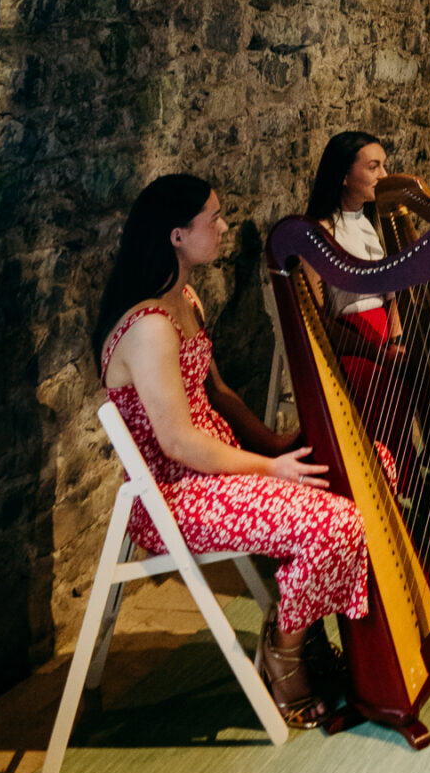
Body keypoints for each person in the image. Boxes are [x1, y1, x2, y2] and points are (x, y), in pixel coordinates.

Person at [95, 172, 372, 727]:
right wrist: (272, 468)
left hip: (223, 470)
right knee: (336, 522)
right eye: (212, 219)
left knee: (372, 466)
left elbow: (217, 393)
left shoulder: (184, 298)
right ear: (176, 235)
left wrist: (280, 443)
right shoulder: (147, 327)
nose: (224, 227)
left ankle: (308, 626)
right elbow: (178, 442)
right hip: (176, 496)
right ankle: (286, 654)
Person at [303, 132, 416, 473]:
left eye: (384, 165)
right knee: (387, 384)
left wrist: (396, 340)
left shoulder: (370, 223)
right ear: (344, 175)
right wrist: (379, 353)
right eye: (373, 167)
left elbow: (391, 296)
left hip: (385, 339)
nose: (384, 175)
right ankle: (399, 476)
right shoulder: (320, 232)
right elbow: (321, 323)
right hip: (352, 347)